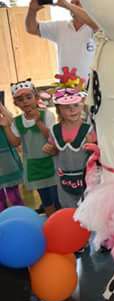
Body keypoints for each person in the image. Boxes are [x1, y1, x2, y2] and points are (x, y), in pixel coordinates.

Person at [0, 80, 58, 214]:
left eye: (28, 97)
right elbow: (15, 142)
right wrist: (6, 126)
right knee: (46, 200)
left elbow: (51, 137)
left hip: (51, 164)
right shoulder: (17, 121)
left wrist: (38, 121)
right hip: (33, 167)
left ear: (36, 98)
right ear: (16, 104)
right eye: (20, 100)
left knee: (56, 198)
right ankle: (50, 223)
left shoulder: (47, 115)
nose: (25, 102)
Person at [25, 0, 98, 80]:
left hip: (91, 88)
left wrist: (67, 5)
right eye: (72, 3)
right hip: (67, 87)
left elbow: (96, 25)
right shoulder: (60, 26)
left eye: (77, 3)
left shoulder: (96, 27)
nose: (73, 6)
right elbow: (32, 29)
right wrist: (32, 10)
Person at [42, 86, 93, 209]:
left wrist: (93, 147)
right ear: (59, 109)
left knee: (88, 210)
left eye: (75, 105)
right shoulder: (54, 130)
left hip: (87, 183)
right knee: (68, 211)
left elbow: (96, 156)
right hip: (64, 182)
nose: (72, 110)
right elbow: (55, 151)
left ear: (81, 105)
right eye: (66, 107)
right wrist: (50, 149)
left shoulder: (89, 130)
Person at [0, 100, 23, 212]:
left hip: (7, 163)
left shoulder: (4, 120)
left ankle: (19, 215)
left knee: (13, 195)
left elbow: (10, 119)